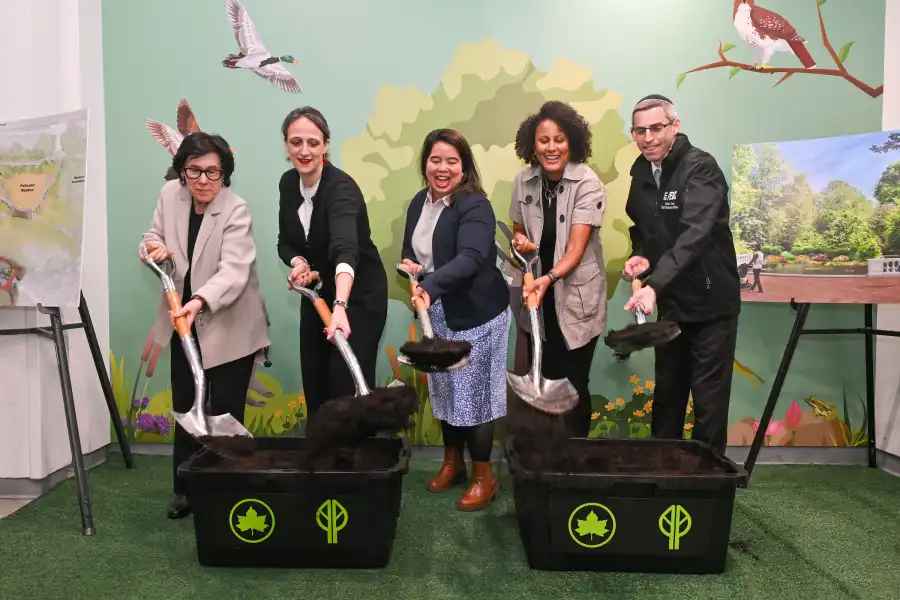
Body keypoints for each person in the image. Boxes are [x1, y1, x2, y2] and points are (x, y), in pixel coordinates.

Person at [139, 131, 271, 519]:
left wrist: (198, 301)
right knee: (186, 406)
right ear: (181, 171)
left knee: (225, 412)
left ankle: (230, 490)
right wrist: (152, 249)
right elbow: (150, 237)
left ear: (224, 174)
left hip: (231, 324)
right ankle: (188, 491)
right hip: (183, 324)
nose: (202, 180)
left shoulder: (236, 209)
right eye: (194, 170)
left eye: (212, 172)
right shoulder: (169, 196)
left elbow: (235, 271)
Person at [399, 128, 510, 512]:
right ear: (425, 163)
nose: (442, 168)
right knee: (445, 392)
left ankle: (485, 476)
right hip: (439, 311)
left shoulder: (474, 205)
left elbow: (471, 258)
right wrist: (411, 271)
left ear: (464, 169)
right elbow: (411, 251)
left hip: (478, 314)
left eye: (451, 161)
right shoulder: (419, 201)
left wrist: (429, 284)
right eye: (435, 160)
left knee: (474, 399)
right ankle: (453, 464)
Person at [623, 94, 741, 454]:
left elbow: (695, 234)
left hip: (711, 304)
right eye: (640, 130)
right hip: (672, 303)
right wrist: (640, 256)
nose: (648, 138)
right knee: (668, 392)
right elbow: (642, 227)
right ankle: (663, 473)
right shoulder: (642, 172)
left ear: (675, 126)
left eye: (656, 128)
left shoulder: (701, 168)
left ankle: (705, 484)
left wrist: (654, 286)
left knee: (708, 400)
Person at [276, 106, 388, 418]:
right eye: (296, 142)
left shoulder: (342, 190)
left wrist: (340, 305)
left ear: (326, 145)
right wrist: (299, 263)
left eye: (313, 142)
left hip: (358, 297)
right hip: (317, 293)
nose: (304, 150)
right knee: (315, 380)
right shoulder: (288, 184)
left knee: (345, 384)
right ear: (286, 145)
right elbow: (285, 242)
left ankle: (353, 460)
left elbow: (345, 250)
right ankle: (322, 458)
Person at [508, 100, 608, 438]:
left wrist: (547, 278)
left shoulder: (588, 182)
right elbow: (518, 230)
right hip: (538, 298)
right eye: (543, 140)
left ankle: (576, 460)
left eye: (559, 139)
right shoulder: (523, 181)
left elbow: (576, 249)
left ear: (573, 142)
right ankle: (547, 456)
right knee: (543, 376)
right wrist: (520, 244)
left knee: (574, 382)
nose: (552, 147)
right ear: (532, 145)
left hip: (576, 299)